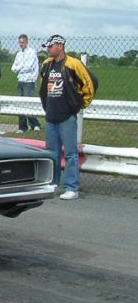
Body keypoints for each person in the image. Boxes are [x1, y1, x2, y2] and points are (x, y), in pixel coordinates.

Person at [38, 35, 94, 200]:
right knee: (52, 153)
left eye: (51, 46)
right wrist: (46, 107)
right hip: (51, 116)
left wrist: (78, 105)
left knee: (70, 153)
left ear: (60, 46)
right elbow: (43, 87)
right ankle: (52, 184)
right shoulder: (46, 64)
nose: (48, 49)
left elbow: (89, 84)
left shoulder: (73, 64)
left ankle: (72, 187)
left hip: (67, 116)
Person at [11, 34, 42, 133]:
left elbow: (29, 67)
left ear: (27, 42)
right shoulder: (19, 54)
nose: (21, 44)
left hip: (29, 81)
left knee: (28, 103)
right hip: (21, 80)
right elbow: (13, 68)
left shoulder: (32, 52)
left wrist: (20, 67)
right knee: (20, 104)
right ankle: (22, 127)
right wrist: (21, 68)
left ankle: (35, 124)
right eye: (20, 42)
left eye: (23, 42)